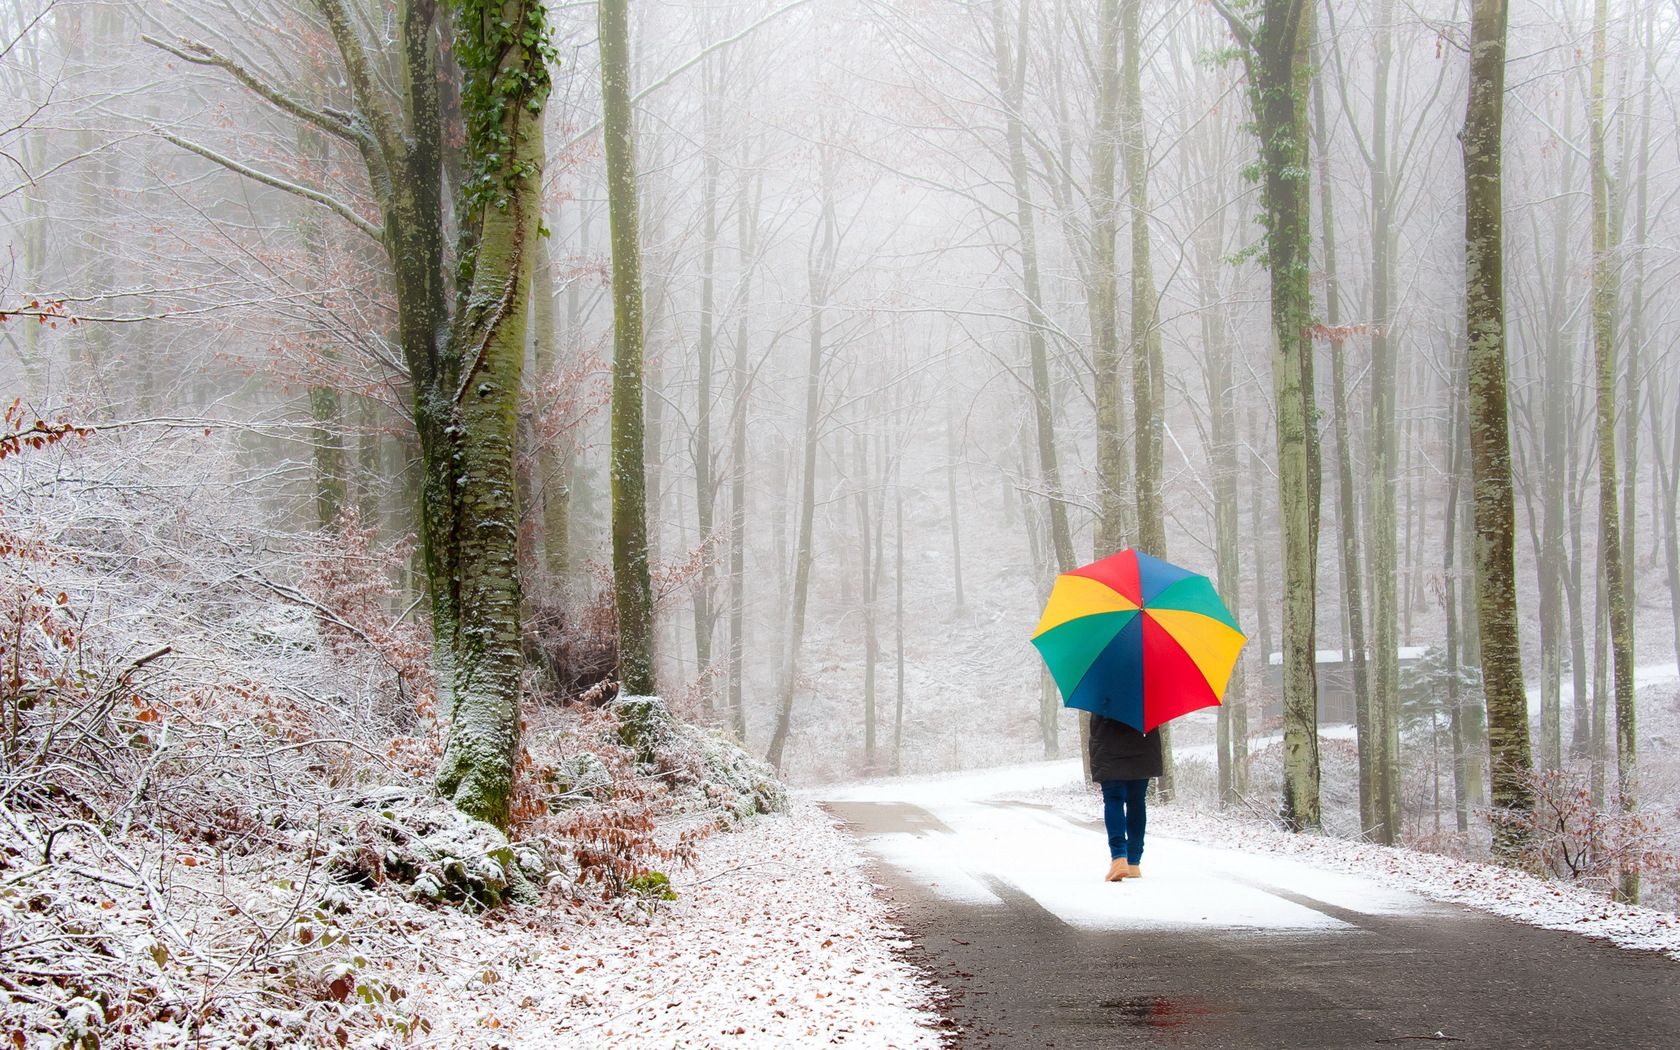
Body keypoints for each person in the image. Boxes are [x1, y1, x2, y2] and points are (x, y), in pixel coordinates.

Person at [1088, 713, 1162, 882]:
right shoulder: (1148, 691)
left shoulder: (1100, 688)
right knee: (1137, 801)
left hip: (1109, 748)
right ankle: (1134, 862)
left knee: (1113, 799)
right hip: (1143, 747)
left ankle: (1119, 857)